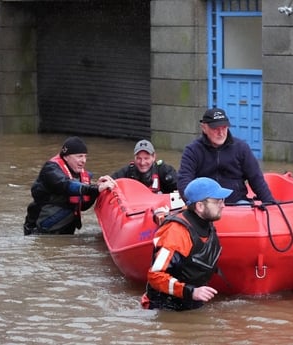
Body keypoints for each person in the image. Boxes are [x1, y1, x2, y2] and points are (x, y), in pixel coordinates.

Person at [141, 177, 233, 311]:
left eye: (223, 201)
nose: (223, 205)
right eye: (217, 201)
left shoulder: (205, 222)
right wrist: (191, 292)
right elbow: (155, 276)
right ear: (200, 206)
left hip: (190, 303)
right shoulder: (176, 233)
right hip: (164, 307)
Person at [177, 107, 274, 204]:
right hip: (207, 207)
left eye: (224, 128)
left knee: (243, 204)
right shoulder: (192, 151)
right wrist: (192, 204)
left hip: (237, 203)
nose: (221, 133)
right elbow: (184, 180)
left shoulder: (241, 148)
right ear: (204, 128)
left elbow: (256, 178)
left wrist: (270, 204)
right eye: (215, 129)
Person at [23, 136, 116, 235]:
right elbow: (65, 184)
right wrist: (95, 188)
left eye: (85, 156)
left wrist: (97, 190)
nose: (84, 160)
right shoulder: (50, 170)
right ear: (66, 157)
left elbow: (83, 206)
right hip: (39, 232)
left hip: (65, 231)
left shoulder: (82, 175)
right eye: (79, 156)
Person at [111, 139, 177, 193]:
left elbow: (181, 185)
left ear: (154, 157)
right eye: (139, 158)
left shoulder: (164, 170)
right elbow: (109, 181)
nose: (142, 163)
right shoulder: (127, 171)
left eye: (146, 158)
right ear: (134, 158)